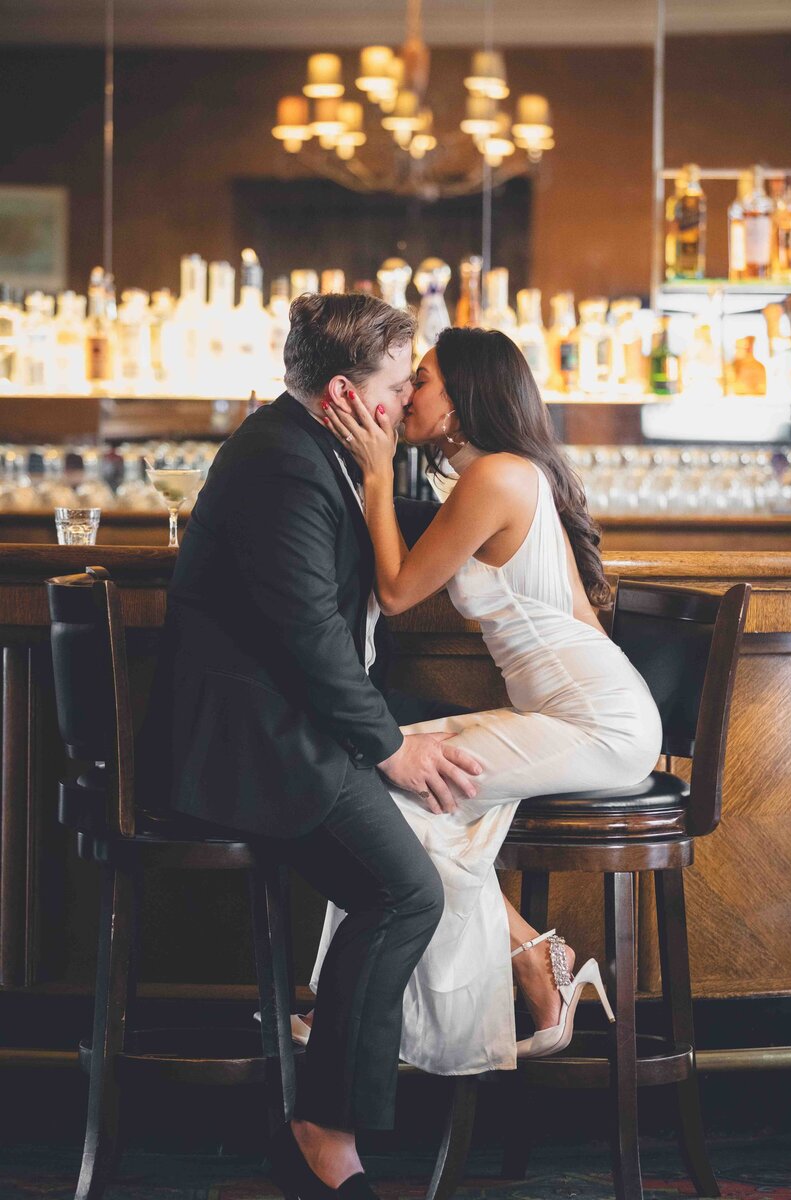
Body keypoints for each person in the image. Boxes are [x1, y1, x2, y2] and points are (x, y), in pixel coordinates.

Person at [147, 294, 484, 1199]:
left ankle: (343, 1120)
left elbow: (399, 522)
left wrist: (495, 476)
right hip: (254, 743)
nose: (404, 399)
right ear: (342, 390)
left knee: (441, 825)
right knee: (402, 891)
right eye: (395, 384)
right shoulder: (281, 465)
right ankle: (320, 1133)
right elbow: (308, 635)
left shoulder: (314, 448)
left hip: (293, 724)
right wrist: (390, 750)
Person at [316, 326, 663, 1075]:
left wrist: (378, 472)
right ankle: (532, 961)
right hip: (570, 713)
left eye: (425, 379)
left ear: (467, 398)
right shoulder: (497, 475)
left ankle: (372, 1005)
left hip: (596, 722)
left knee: (397, 794)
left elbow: (399, 589)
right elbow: (570, 614)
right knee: (381, 775)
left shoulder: (499, 476)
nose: (408, 392)